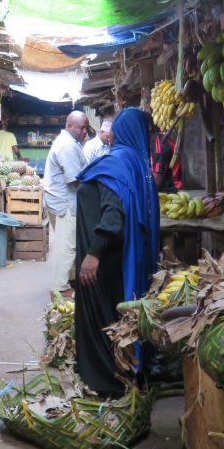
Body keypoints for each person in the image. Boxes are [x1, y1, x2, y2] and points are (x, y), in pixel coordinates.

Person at [74, 108, 160, 396]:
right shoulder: (137, 163)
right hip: (120, 259)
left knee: (101, 321)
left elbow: (113, 214)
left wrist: (93, 253)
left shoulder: (118, 162)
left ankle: (108, 382)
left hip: (103, 259)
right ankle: (124, 374)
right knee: (115, 317)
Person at [42, 110, 89, 295]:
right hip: (64, 203)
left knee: (69, 243)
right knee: (67, 246)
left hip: (61, 201)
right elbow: (75, 179)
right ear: (70, 125)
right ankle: (60, 289)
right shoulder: (67, 146)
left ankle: (69, 281)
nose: (85, 131)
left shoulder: (70, 143)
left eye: (86, 127)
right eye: (82, 127)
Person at [151, 124, 182, 191]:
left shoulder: (159, 146)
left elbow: (155, 183)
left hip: (169, 191)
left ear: (149, 127)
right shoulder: (154, 139)